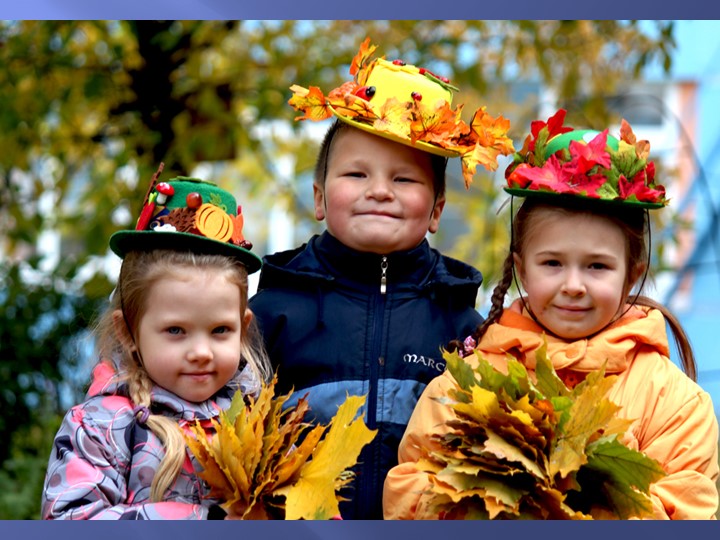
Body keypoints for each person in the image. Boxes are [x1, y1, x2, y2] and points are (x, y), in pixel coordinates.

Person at [383, 109, 720, 520]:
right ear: (521, 268)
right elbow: (409, 491)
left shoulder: (672, 399)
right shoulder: (465, 384)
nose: (573, 284)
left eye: (597, 266)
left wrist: (586, 486)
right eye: (553, 264)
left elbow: (689, 509)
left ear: (630, 276)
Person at [248, 38, 514, 520]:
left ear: (436, 210)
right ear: (319, 198)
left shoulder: (465, 328)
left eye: (404, 179)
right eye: (356, 174)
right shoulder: (271, 313)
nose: (378, 192)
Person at [41, 172, 272, 519]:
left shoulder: (260, 423)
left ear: (244, 328)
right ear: (128, 332)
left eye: (220, 330)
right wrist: (203, 520)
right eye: (176, 331)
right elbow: (69, 519)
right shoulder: (102, 426)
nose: (201, 351)